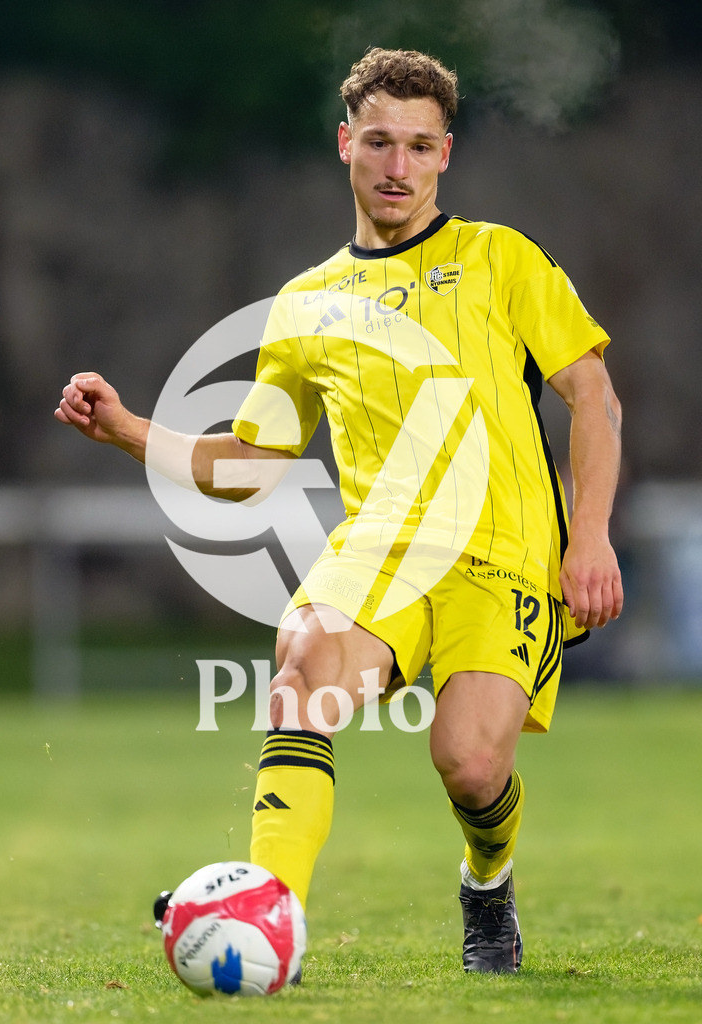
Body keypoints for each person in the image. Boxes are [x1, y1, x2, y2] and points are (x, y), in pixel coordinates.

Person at [55, 47, 623, 975]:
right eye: (380, 142)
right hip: (381, 556)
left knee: (471, 765)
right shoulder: (307, 303)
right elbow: (248, 466)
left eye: (420, 146)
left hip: (505, 555)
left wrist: (590, 537)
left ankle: (488, 882)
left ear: (447, 155)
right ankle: (264, 917)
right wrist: (126, 429)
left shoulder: (499, 258)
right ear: (345, 143)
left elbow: (592, 396)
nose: (398, 166)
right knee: (301, 672)